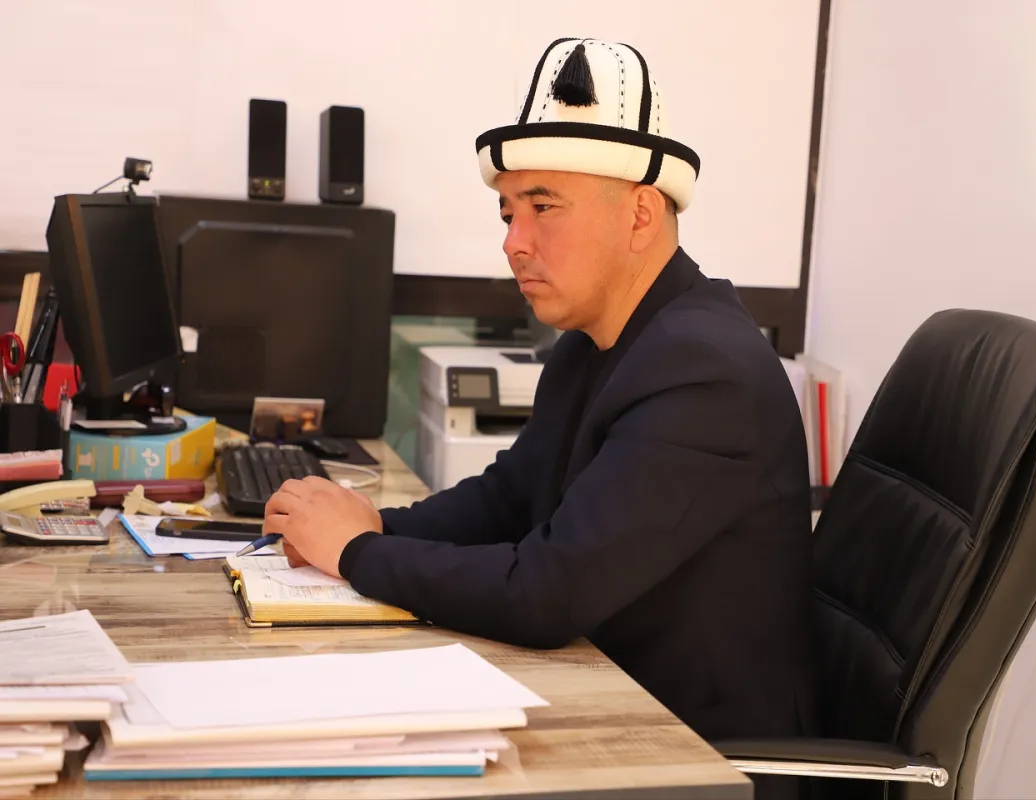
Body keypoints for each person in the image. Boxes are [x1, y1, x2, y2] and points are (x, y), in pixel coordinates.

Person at [265, 37, 817, 748]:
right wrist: (373, 524)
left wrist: (357, 552)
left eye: (543, 206)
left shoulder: (705, 372)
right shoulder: (595, 341)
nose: (513, 243)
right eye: (507, 214)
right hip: (612, 704)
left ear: (641, 215)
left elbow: (547, 593)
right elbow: (511, 498)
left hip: (697, 753)